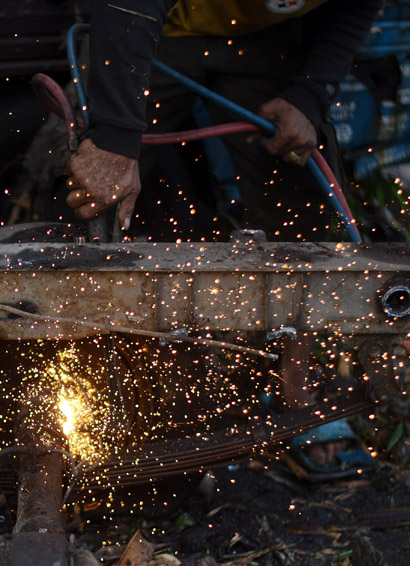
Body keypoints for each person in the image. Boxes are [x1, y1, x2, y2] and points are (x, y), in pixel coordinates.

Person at [65, 0, 384, 473]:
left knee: (298, 194)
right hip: (152, 26)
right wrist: (113, 137)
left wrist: (313, 92)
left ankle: (293, 384)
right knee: (91, 193)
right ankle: (72, 378)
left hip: (263, 35)